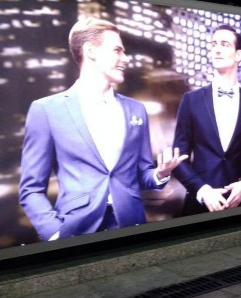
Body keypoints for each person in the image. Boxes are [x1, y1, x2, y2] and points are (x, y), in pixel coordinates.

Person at [19, 17, 185, 241]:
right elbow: (31, 190)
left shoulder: (136, 109)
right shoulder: (46, 110)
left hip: (131, 224)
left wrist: (160, 173)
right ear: (90, 51)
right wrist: (55, 233)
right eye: (117, 50)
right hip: (75, 230)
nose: (125, 58)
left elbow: (142, 174)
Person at [172, 24, 241, 215]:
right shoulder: (191, 100)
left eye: (224, 44)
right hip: (198, 206)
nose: (217, 49)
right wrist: (202, 191)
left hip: (238, 205)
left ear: (238, 55)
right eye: (214, 44)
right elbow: (179, 159)